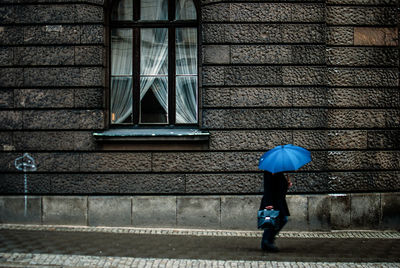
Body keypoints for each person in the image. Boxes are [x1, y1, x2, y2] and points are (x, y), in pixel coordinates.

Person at [259, 171, 292, 252]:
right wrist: (268, 203)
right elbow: (267, 187)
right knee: (274, 221)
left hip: (278, 201)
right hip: (273, 201)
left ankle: (267, 240)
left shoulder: (278, 172)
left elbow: (278, 185)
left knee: (280, 220)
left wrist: (286, 185)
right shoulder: (269, 171)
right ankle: (267, 241)